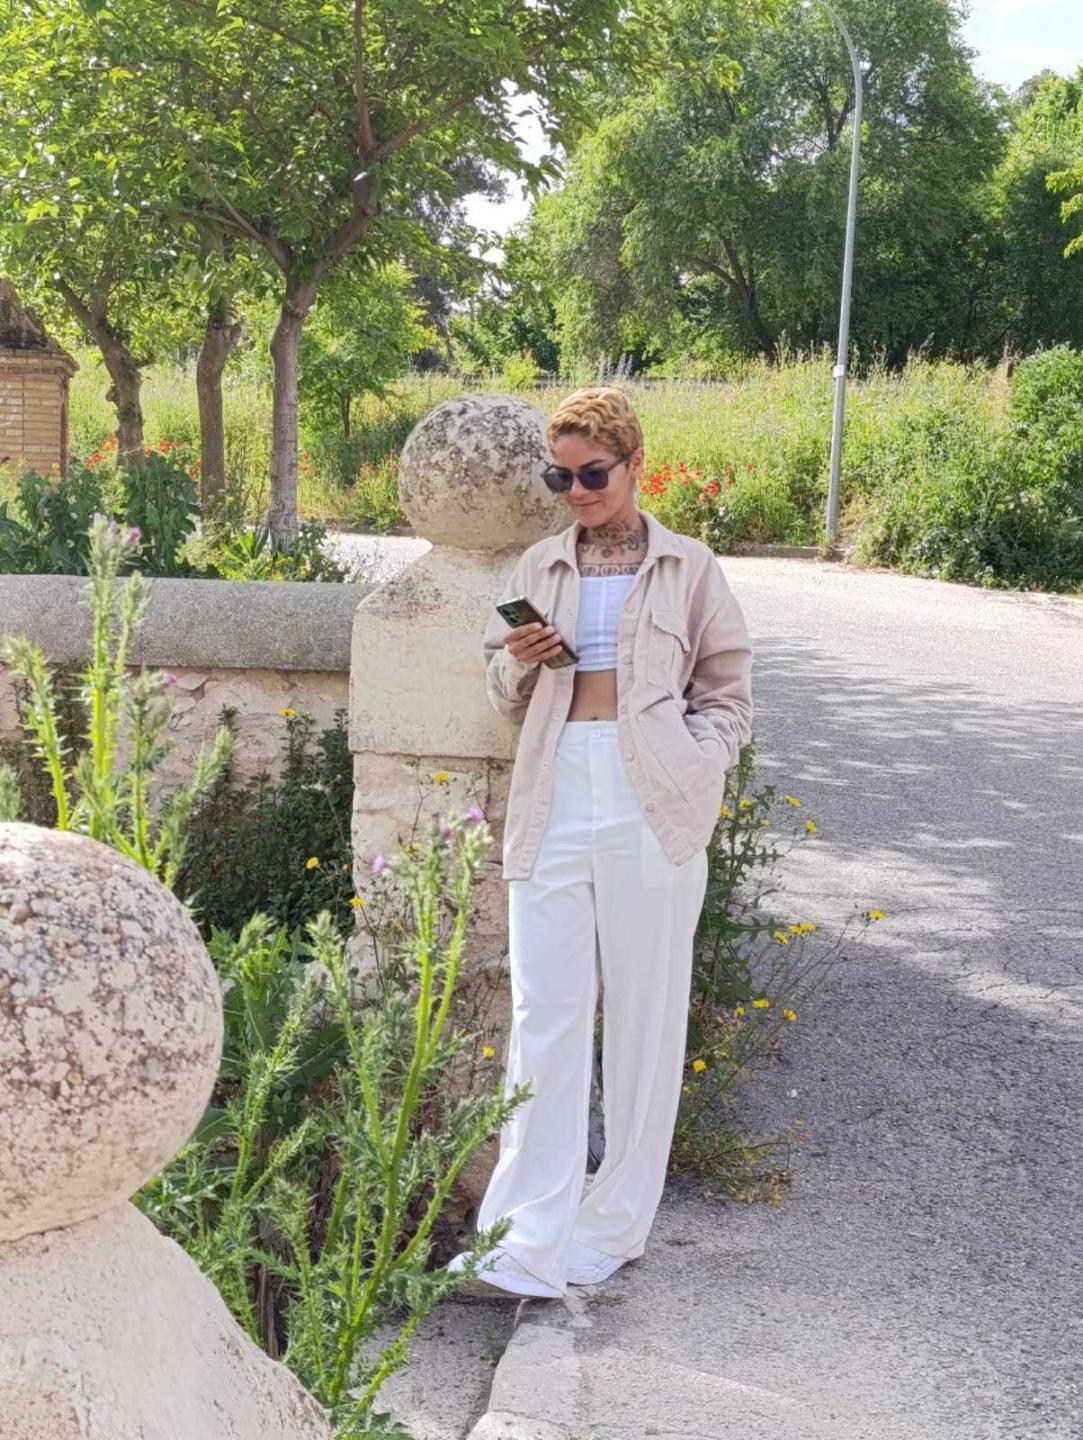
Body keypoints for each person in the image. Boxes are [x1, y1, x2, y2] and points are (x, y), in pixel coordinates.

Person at [450, 385, 754, 1299]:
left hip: (650, 794)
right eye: (560, 477)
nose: (575, 492)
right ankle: (521, 1237)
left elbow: (728, 693)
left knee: (643, 1021)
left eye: (591, 474)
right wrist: (516, 663)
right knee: (544, 1014)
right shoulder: (539, 565)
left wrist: (697, 763)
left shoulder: (689, 567)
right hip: (555, 785)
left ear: (633, 464)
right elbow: (497, 692)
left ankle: (612, 1226)